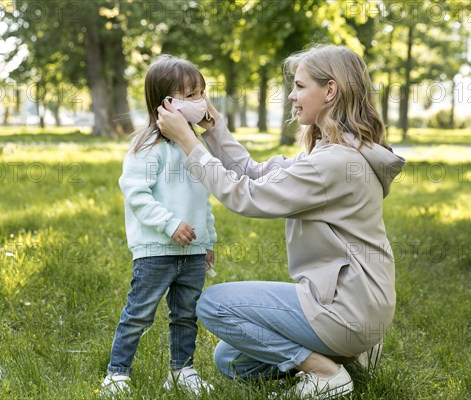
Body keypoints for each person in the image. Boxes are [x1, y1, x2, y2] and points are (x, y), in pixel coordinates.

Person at [157, 44, 406, 399]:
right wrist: (212, 131)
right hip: (357, 306)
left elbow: (247, 196)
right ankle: (346, 354)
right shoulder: (333, 152)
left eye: (301, 86)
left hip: (344, 307)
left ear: (330, 90)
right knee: (231, 360)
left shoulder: (331, 163)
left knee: (212, 305)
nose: (291, 96)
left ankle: (325, 374)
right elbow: (255, 174)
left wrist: (187, 142)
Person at [101, 55, 217, 397]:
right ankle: (117, 373)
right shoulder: (147, 147)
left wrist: (207, 240)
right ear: (168, 103)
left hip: (192, 251)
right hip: (156, 250)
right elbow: (135, 195)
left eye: (201, 93)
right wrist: (169, 224)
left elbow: (202, 198)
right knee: (139, 313)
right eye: (192, 95)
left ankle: (182, 371)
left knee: (186, 315)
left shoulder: (195, 148)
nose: (201, 102)